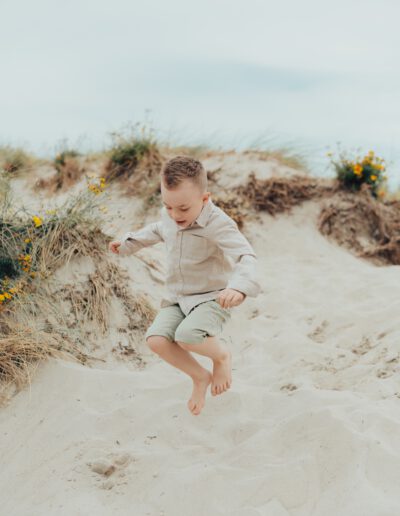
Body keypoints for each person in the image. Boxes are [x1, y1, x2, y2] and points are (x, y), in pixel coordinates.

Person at [109, 156, 261, 415]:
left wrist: (238, 287)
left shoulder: (218, 223)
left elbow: (245, 255)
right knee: (156, 340)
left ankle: (221, 356)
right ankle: (200, 376)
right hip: (178, 298)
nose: (174, 215)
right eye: (168, 206)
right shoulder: (169, 215)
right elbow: (157, 229)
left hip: (212, 297)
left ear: (204, 199)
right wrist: (128, 242)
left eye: (182, 208)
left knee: (187, 336)